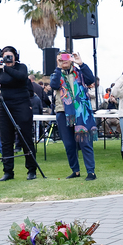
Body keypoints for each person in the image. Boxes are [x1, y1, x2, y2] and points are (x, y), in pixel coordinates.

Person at [50, 52, 98, 180]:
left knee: (85, 142)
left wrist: (80, 63)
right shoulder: (56, 74)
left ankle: (91, 171)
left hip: (81, 111)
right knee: (69, 144)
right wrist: (58, 67)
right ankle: (75, 170)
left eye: (66, 57)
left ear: (71, 59)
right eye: (60, 58)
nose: (63, 60)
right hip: (63, 111)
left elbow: (91, 79)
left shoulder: (80, 72)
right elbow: (54, 85)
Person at [0, 46, 38, 181]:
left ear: (15, 57)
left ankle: (31, 170)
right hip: (4, 105)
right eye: (5, 57)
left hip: (21, 104)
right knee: (6, 139)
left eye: (10, 56)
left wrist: (5, 68)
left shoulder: (21, 67)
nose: (8, 59)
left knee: (25, 137)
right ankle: (8, 171)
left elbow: (21, 77)